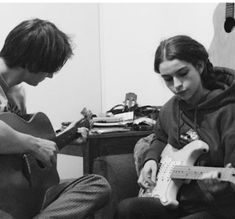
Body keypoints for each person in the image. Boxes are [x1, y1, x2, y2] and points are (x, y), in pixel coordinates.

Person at [0, 18, 111, 219]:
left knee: (97, 185)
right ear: (33, 60)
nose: (50, 75)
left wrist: (60, 138)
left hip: (20, 196)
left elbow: (19, 154)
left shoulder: (17, 93)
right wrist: (34, 144)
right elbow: (28, 144)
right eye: (49, 67)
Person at [115, 35, 235, 219]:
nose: (177, 85)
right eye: (168, 79)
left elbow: (230, 174)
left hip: (216, 207)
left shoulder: (228, 111)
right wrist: (151, 160)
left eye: (183, 73)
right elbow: (161, 137)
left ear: (200, 66)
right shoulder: (170, 108)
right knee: (126, 209)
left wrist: (220, 186)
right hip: (173, 199)